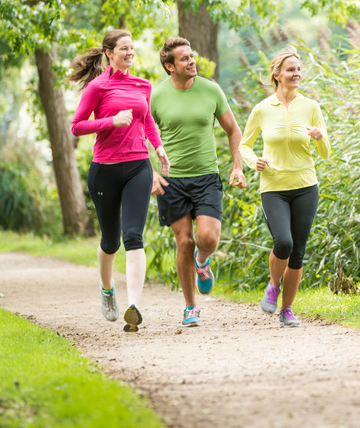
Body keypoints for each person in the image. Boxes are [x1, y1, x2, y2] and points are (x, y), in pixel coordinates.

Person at [69, 29, 170, 333]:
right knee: (111, 241)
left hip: (138, 166)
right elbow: (77, 126)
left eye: (132, 48)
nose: (130, 53)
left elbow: (146, 120)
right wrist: (110, 121)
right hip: (105, 170)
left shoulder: (143, 85)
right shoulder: (98, 88)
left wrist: (159, 147)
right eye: (123, 48)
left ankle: (134, 306)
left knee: (134, 236)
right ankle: (107, 288)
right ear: (109, 54)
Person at [151, 37, 246, 327]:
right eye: (184, 59)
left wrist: (237, 166)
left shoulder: (211, 90)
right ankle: (190, 307)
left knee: (208, 239)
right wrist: (151, 172)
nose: (192, 61)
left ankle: (202, 261)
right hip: (172, 179)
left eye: (191, 56)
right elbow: (141, 134)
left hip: (206, 176)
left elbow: (233, 129)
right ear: (170, 66)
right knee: (184, 240)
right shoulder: (156, 96)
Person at [239, 48, 331, 327]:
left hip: (305, 185)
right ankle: (273, 285)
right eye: (290, 69)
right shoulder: (262, 109)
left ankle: (286, 310)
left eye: (299, 69)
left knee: (299, 250)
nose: (296, 74)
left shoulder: (311, 107)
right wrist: (254, 160)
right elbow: (245, 144)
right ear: (277, 74)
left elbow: (326, 153)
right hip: (274, 188)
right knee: (284, 242)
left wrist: (319, 136)